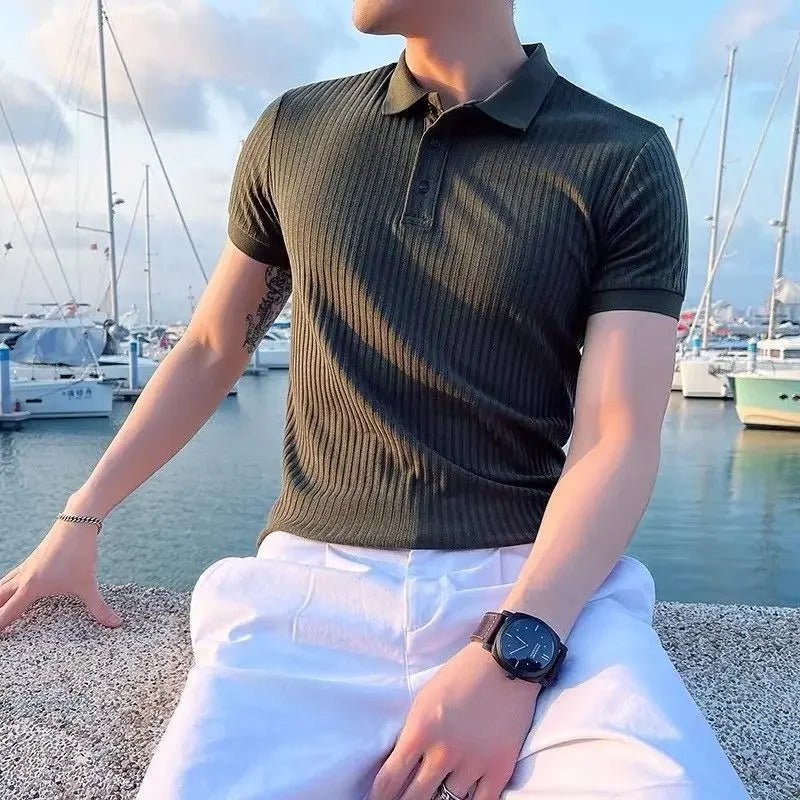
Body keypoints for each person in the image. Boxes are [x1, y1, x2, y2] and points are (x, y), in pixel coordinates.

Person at [0, 2, 751, 799]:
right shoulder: (296, 130)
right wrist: (80, 518)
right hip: (310, 591)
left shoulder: (621, 156)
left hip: (532, 583)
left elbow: (617, 436)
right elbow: (214, 346)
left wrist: (514, 654)